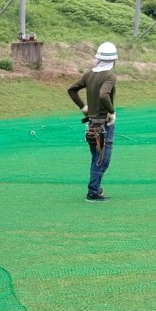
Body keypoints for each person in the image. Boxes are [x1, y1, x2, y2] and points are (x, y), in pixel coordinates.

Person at [67, 41, 118, 202]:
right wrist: (111, 112)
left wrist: (83, 107)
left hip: (91, 125)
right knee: (102, 160)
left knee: (97, 157)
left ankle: (96, 188)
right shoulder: (110, 76)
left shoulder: (89, 74)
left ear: (98, 58)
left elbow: (72, 89)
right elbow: (104, 94)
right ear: (114, 60)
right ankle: (93, 191)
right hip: (104, 125)